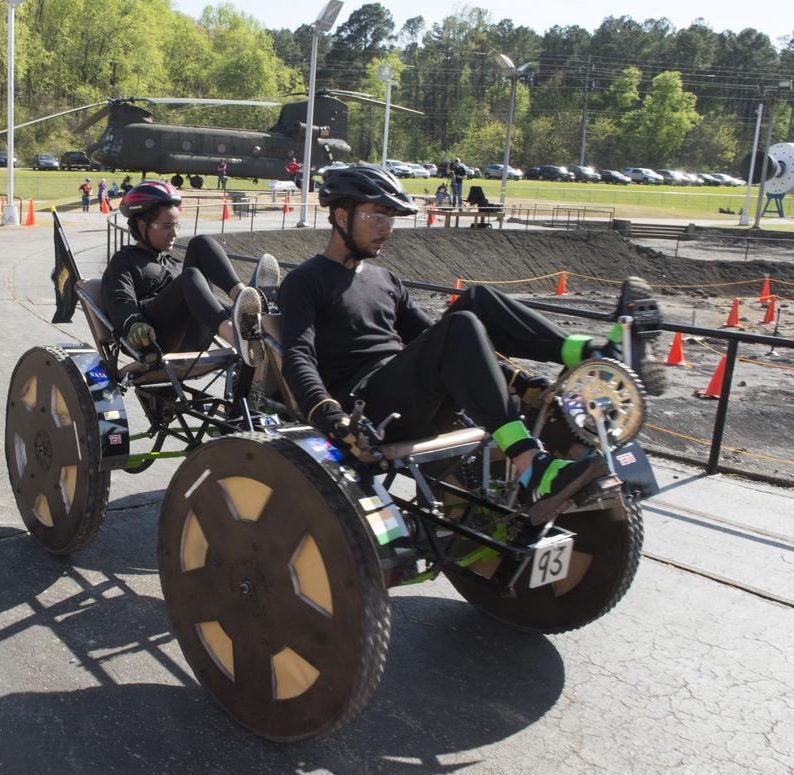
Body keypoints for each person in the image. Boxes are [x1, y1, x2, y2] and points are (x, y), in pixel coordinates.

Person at [279, 165, 666, 519]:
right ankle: (531, 466)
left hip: (413, 394)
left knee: (477, 301)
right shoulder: (306, 281)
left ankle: (595, 355)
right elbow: (297, 355)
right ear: (341, 216)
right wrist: (329, 416)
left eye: (390, 218)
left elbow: (434, 338)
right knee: (460, 325)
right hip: (367, 409)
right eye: (377, 216)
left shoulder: (386, 280)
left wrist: (514, 378)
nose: (387, 228)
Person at [102, 180, 277, 367]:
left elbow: (203, 300)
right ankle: (237, 338)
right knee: (190, 276)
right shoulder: (124, 260)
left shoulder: (171, 262)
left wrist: (228, 310)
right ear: (142, 226)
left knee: (201, 243)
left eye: (176, 226)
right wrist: (133, 322)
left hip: (193, 334)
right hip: (154, 339)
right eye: (166, 226)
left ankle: (247, 308)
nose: (174, 234)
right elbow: (120, 300)